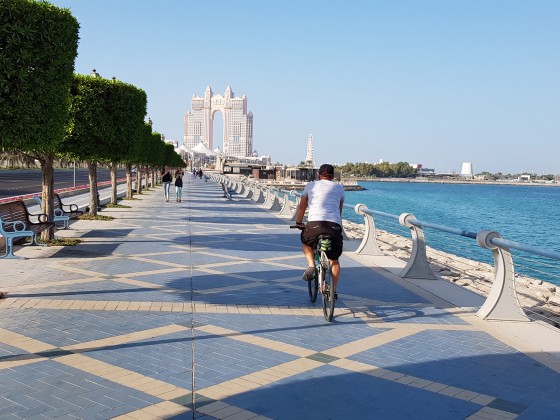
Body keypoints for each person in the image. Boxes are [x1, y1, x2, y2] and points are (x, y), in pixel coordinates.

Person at [295, 163, 345, 291]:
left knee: (306, 242)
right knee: (334, 260)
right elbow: (339, 210)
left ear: (318, 175)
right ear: (333, 176)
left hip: (314, 224)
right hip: (334, 226)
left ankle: (311, 264)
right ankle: (332, 290)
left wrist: (299, 222)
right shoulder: (339, 188)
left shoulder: (310, 186)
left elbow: (302, 207)